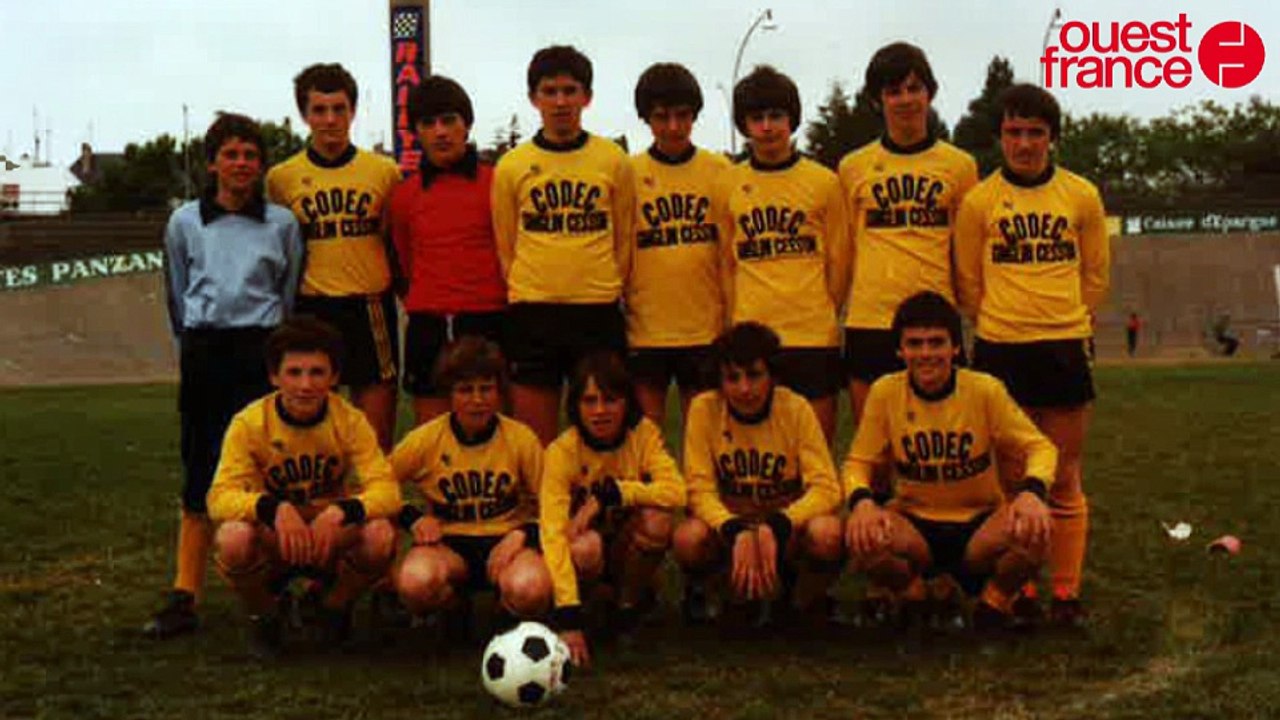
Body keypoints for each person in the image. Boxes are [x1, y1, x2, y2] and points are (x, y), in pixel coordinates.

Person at [954, 83, 1110, 626]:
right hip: (1001, 350)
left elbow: (1095, 275)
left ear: (1053, 139)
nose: (1024, 143)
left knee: (1064, 477)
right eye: (1015, 132)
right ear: (1000, 136)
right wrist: (1000, 322)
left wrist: (1068, 321)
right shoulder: (979, 202)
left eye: (1035, 133)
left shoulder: (1081, 196)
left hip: (1063, 348)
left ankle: (1065, 593)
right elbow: (969, 283)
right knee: (1010, 481)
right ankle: (1017, 589)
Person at [144, 113, 303, 640]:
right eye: (231, 155)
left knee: (267, 467)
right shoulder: (184, 222)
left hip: (259, 351)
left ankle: (274, 584)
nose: (241, 165)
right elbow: (177, 290)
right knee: (201, 467)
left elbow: (288, 292)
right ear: (212, 163)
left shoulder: (280, 224)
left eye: (251, 156)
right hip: (207, 350)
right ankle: (184, 594)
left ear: (262, 165)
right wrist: (192, 343)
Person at [842, 291, 1058, 631]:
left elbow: (1041, 448)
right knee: (861, 535)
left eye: (936, 342)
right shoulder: (885, 392)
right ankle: (915, 594)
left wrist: (1032, 492)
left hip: (979, 526)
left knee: (1037, 531)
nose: (926, 354)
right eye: (914, 344)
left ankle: (993, 603)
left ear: (955, 347)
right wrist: (863, 502)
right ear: (900, 350)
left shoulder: (984, 390)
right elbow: (858, 461)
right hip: (916, 525)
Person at [206, 316, 402, 656]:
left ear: (335, 376)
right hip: (275, 537)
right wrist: (274, 508)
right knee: (232, 538)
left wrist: (343, 510)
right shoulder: (250, 423)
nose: (305, 385)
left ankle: (332, 607)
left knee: (380, 535)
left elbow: (388, 492)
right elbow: (219, 498)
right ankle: (266, 613)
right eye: (294, 372)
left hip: (329, 536)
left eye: (317, 372)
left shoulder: (350, 421)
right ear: (274, 376)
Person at [492, 45, 636, 445]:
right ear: (533, 97)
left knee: (601, 437)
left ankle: (599, 508)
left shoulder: (612, 160)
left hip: (596, 312)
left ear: (586, 97)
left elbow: (623, 239)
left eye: (570, 91)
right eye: (549, 91)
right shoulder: (513, 166)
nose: (560, 102)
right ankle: (542, 507)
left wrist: (606, 285)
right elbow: (506, 243)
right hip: (533, 312)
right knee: (535, 441)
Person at [839, 42, 978, 428]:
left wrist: (969, 314)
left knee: (942, 445)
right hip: (871, 321)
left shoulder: (960, 166)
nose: (905, 100)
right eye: (893, 91)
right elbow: (846, 246)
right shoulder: (852, 167)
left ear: (929, 93)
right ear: (877, 100)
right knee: (875, 451)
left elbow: (965, 251)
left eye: (914, 88)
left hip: (935, 320)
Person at [267, 63, 403, 451]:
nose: (330, 120)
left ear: (353, 111)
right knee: (311, 426)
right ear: (304, 114)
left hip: (368, 305)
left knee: (374, 435)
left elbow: (394, 240)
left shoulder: (383, 172)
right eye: (320, 110)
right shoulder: (282, 177)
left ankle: (376, 503)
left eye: (339, 109)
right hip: (311, 306)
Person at [673, 322, 843, 626]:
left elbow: (827, 488)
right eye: (732, 378)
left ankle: (802, 597)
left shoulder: (795, 408)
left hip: (782, 529)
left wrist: (780, 524)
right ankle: (724, 594)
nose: (744, 389)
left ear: (773, 375)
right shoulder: (704, 409)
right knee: (689, 537)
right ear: (719, 380)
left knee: (827, 533)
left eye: (754, 375)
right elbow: (697, 490)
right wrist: (734, 529)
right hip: (730, 529)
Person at [716, 65, 850, 442]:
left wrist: (822, 308)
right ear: (744, 125)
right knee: (761, 453)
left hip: (811, 335)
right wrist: (735, 319)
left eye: (776, 116)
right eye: (756, 118)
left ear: (792, 119)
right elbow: (726, 263)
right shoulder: (727, 183)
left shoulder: (824, 182)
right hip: (752, 334)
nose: (768, 127)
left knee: (816, 451)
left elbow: (839, 263)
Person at [390, 337, 550, 626]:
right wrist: (412, 518)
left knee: (531, 589)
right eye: (465, 390)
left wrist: (523, 535)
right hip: (448, 545)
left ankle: (508, 613)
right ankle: (452, 608)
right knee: (416, 582)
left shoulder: (520, 438)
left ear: (499, 392)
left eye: (486, 389)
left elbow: (555, 503)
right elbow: (375, 485)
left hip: (507, 541)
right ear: (448, 394)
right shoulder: (426, 440)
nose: (477, 400)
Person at [539, 352, 684, 666]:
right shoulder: (562, 451)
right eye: (590, 401)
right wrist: (568, 615)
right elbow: (551, 533)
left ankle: (627, 609)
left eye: (610, 400)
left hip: (623, 550)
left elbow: (676, 492)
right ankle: (587, 610)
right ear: (575, 406)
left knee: (658, 521)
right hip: (584, 557)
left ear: (626, 402)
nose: (600, 411)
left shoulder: (642, 434)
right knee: (584, 545)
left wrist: (616, 493)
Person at [389, 75, 507, 426]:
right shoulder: (403, 196)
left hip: (488, 320)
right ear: (416, 133)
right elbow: (404, 261)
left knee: (494, 437)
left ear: (466, 126)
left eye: (449, 121)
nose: (440, 132)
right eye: (428, 123)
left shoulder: (497, 182)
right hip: (429, 324)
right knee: (433, 438)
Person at [625, 62, 730, 431]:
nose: (672, 126)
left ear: (695, 115)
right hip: (645, 328)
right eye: (661, 117)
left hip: (705, 329)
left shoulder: (720, 171)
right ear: (645, 118)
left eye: (682, 116)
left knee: (705, 440)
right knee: (646, 442)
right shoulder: (628, 173)